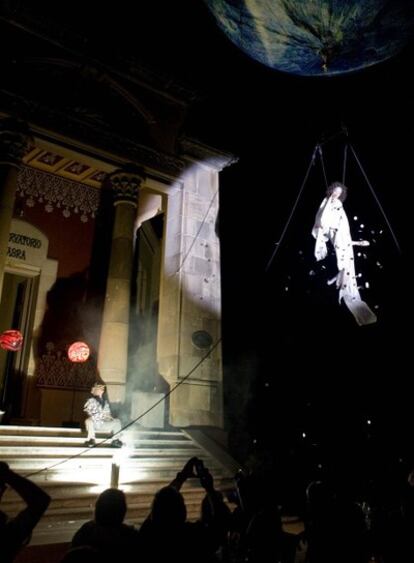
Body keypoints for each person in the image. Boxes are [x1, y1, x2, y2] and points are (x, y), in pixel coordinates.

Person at [312, 181, 377, 326]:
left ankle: (343, 285)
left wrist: (357, 243)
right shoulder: (327, 201)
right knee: (345, 266)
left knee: (348, 268)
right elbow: (322, 216)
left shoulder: (340, 207)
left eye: (340, 193)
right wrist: (321, 224)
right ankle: (341, 284)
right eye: (335, 191)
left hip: (343, 239)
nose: (337, 193)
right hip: (336, 236)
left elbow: (344, 236)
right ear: (332, 190)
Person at [0, 461, 51, 562]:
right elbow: (40, 501)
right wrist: (7, 475)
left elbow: (40, 502)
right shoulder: (7, 538)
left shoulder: (8, 537)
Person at [83, 382, 123, 447]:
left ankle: (116, 440)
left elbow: (107, 413)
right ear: (95, 390)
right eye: (100, 388)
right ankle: (91, 439)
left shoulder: (105, 402)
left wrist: (109, 417)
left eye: (102, 388)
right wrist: (101, 415)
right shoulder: (91, 400)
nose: (102, 389)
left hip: (103, 424)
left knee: (117, 421)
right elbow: (89, 412)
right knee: (88, 421)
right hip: (95, 424)